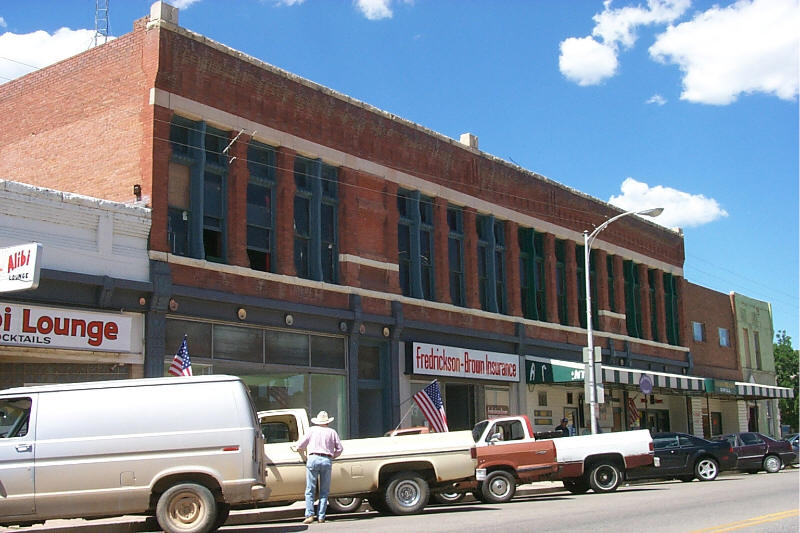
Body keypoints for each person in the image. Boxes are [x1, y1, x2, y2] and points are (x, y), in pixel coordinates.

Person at [296, 410, 343, 524]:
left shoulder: (312, 430)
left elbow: (300, 446)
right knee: (324, 490)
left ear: (317, 421)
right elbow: (340, 449)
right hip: (326, 459)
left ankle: (309, 515)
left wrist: (304, 454)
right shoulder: (332, 432)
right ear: (327, 421)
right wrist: (331, 456)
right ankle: (321, 516)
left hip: (313, 458)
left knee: (310, 489)